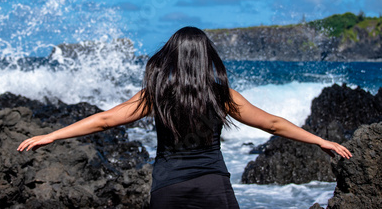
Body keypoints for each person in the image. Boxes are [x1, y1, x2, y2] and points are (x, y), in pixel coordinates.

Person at [18, 26, 352, 208]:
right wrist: (320, 141)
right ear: (206, 57)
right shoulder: (222, 96)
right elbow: (274, 124)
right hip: (214, 186)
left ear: (172, 56)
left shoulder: (156, 94)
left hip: (168, 189)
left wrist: (53, 135)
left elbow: (105, 120)